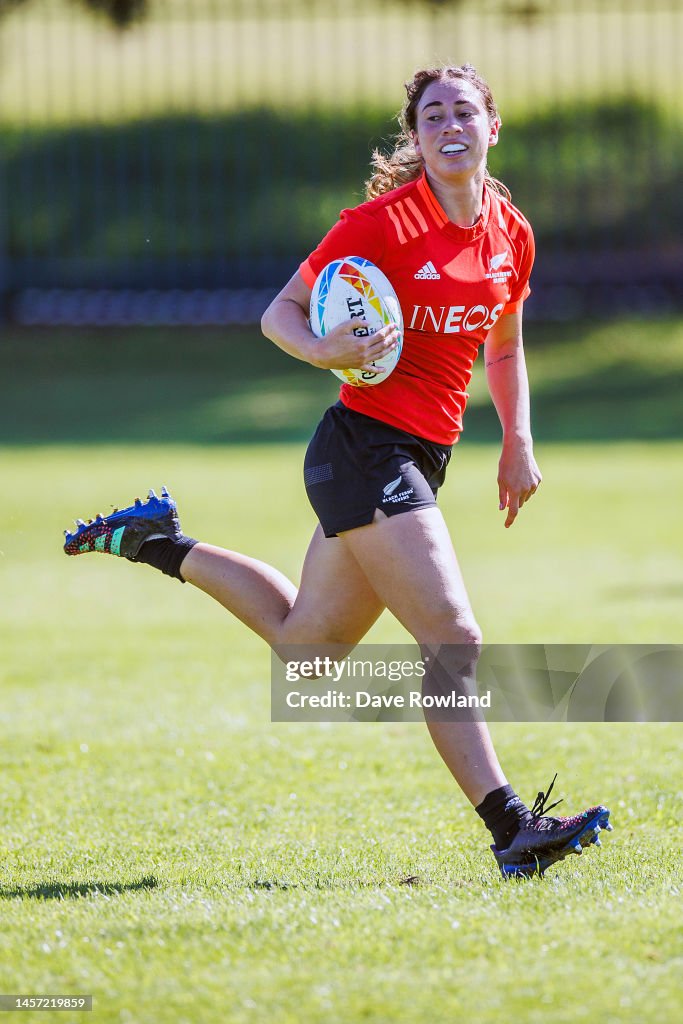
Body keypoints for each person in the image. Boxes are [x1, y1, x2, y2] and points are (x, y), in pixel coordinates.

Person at [64, 64, 611, 878]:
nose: (450, 124)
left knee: (307, 653)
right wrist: (323, 348)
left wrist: (516, 440)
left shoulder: (510, 231)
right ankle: (511, 830)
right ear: (416, 136)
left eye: (465, 110)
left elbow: (504, 343)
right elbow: (277, 312)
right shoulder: (380, 224)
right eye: (433, 114)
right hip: (364, 448)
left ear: (492, 126)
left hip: (422, 453)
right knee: (452, 637)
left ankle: (154, 542)